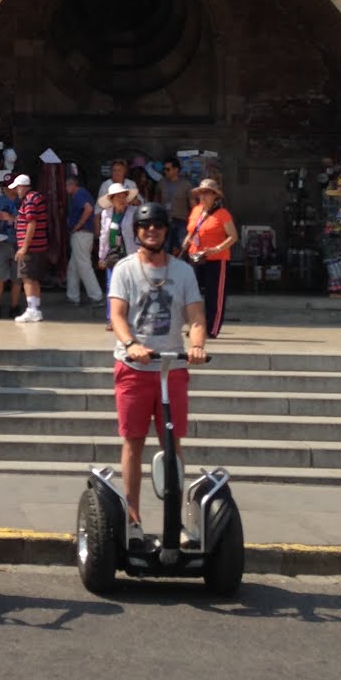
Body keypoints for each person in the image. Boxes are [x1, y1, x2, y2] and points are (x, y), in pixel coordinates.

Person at [109, 201, 207, 531]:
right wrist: (131, 344)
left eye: (158, 226)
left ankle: (174, 520)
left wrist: (196, 345)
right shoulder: (124, 269)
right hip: (134, 369)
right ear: (137, 232)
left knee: (172, 444)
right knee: (133, 441)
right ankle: (133, 515)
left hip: (171, 369)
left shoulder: (182, 272)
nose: (152, 231)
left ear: (166, 230)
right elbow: (117, 315)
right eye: (145, 227)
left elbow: (195, 315)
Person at [184, 178, 238, 339]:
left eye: (207, 193)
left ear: (215, 196)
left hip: (217, 259)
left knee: (214, 295)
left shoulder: (223, 214)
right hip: (195, 257)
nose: (203, 196)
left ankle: (212, 328)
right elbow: (192, 230)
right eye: (201, 193)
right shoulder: (196, 211)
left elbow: (233, 236)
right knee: (193, 294)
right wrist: (187, 240)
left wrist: (217, 248)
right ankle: (197, 327)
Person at [9, 173, 49, 324]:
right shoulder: (35, 198)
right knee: (34, 278)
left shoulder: (30, 200)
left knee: (27, 277)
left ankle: (31, 310)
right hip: (38, 246)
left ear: (22, 187)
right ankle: (35, 309)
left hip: (31, 247)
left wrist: (24, 247)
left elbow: (31, 223)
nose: (16, 192)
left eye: (17, 188)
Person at [65, 171, 103, 307]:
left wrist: (78, 225)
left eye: (66, 186)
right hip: (84, 233)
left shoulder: (78, 194)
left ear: (72, 184)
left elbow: (88, 209)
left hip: (82, 233)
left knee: (83, 264)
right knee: (74, 266)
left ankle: (96, 296)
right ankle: (73, 296)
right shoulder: (82, 193)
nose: (65, 189)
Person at [0, 181, 21, 319]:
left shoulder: (22, 200)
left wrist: (12, 218)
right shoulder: (0, 201)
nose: (6, 189)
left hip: (18, 243)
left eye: (9, 186)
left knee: (17, 277)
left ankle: (14, 307)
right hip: (2, 242)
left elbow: (27, 220)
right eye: (5, 186)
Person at [96, 158, 138, 256]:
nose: (117, 173)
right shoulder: (106, 214)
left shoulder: (131, 184)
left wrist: (133, 202)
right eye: (114, 170)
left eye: (119, 170)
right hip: (113, 253)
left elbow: (139, 202)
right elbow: (104, 235)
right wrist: (101, 256)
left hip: (130, 252)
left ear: (125, 171)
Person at [157, 156, 193, 255]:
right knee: (165, 248)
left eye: (168, 169)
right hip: (165, 221)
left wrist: (193, 223)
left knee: (183, 248)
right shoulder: (161, 183)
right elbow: (156, 201)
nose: (165, 171)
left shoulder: (186, 185)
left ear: (176, 170)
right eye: (164, 169)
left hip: (181, 221)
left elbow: (193, 205)